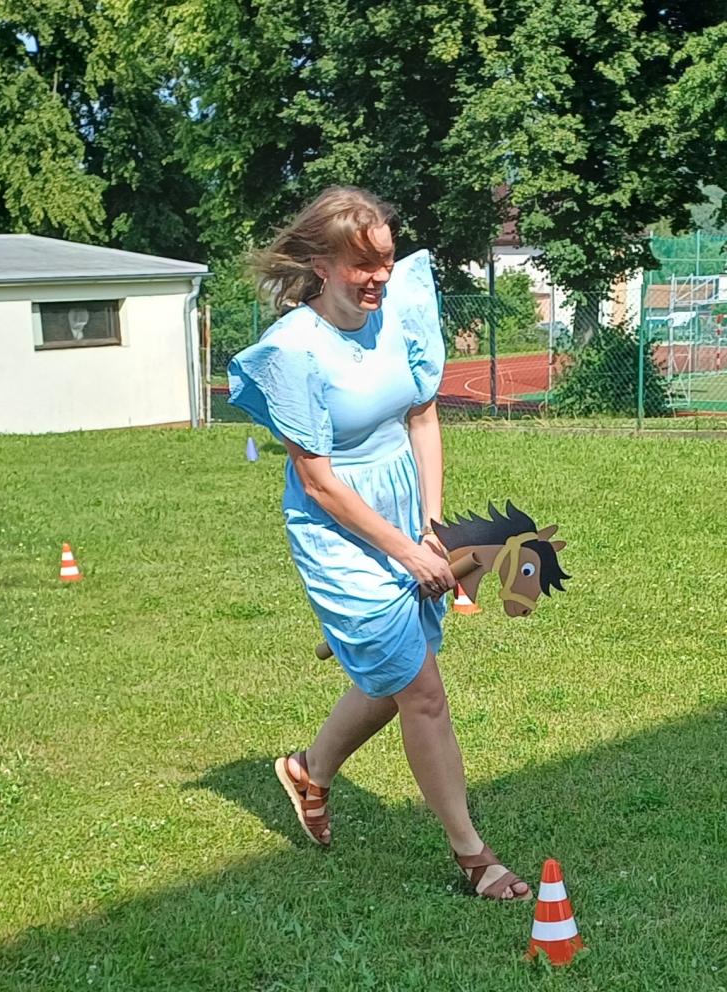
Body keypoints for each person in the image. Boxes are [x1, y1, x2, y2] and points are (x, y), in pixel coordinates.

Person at [227, 186, 531, 900]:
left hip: (404, 506)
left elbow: (422, 418)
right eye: (362, 265)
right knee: (422, 691)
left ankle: (308, 771)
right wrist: (406, 552)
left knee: (394, 673)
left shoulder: (400, 310)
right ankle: (474, 857)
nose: (379, 278)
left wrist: (432, 524)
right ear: (321, 265)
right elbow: (319, 482)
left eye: (386, 260)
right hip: (340, 528)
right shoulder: (294, 351)